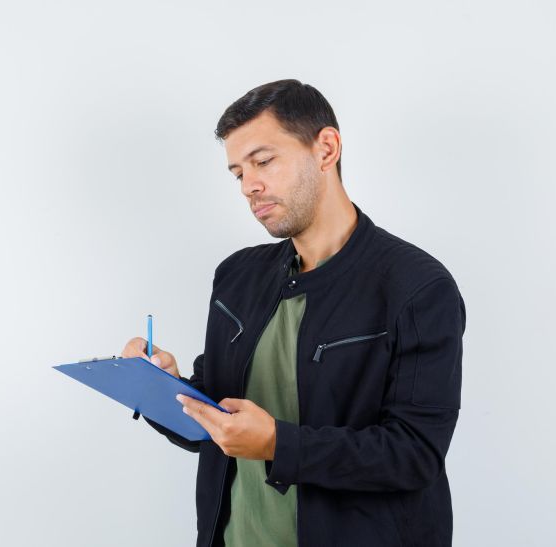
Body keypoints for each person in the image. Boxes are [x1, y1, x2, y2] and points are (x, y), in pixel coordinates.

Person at [121, 79, 466, 547]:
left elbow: (414, 454)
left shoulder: (416, 287)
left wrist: (278, 445)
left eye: (263, 161)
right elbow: (217, 422)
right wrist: (161, 388)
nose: (249, 186)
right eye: (237, 172)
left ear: (326, 149)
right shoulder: (236, 276)